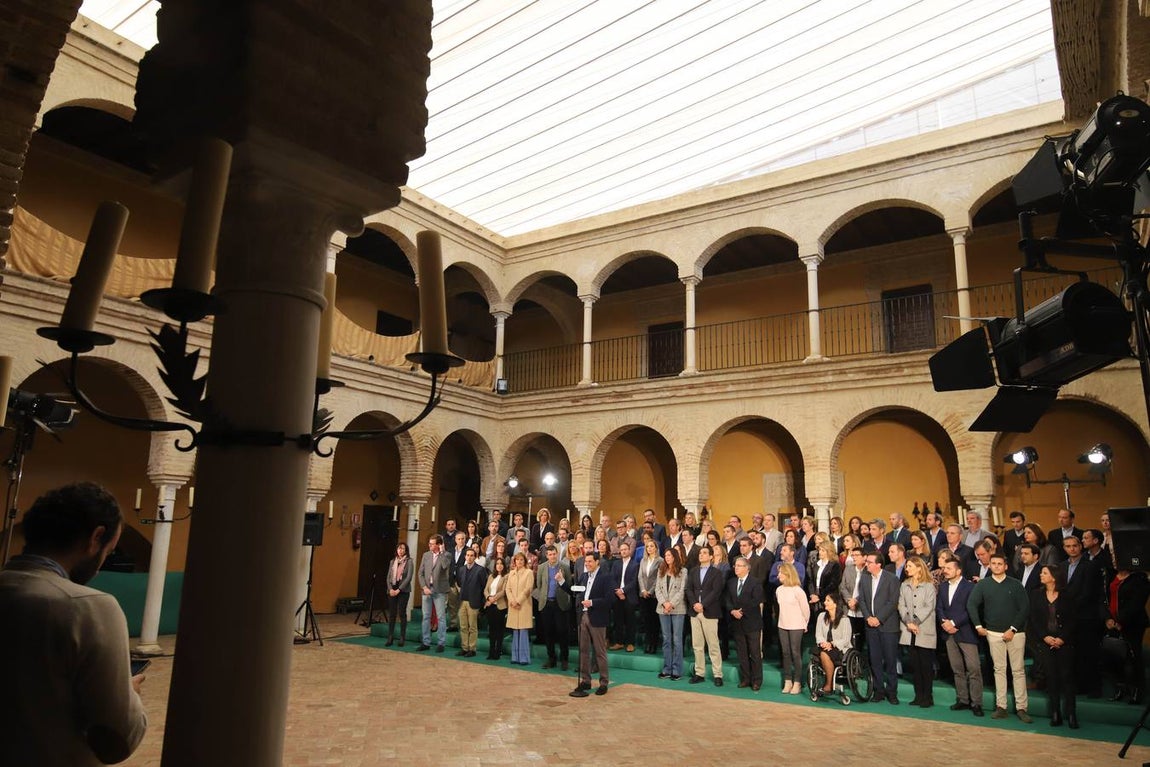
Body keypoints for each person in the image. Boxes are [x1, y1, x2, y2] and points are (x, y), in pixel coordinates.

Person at [0, 482, 147, 766]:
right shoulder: (86, 607)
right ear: (96, 538)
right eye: (109, 551)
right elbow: (116, 742)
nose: (102, 563)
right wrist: (131, 695)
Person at [969, 552, 1032, 723]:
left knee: (1018, 671)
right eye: (993, 563)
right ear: (989, 565)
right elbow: (971, 604)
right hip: (993, 633)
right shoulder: (983, 585)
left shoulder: (1016, 584)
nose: (996, 566)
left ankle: (1021, 708)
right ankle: (1001, 706)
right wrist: (978, 626)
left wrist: (1013, 629)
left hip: (1016, 633)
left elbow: (1025, 608)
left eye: (999, 564)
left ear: (1006, 566)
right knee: (999, 669)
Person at [1030, 563, 1078, 728]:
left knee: (1067, 678)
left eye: (1044, 573)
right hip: (1046, 642)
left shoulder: (1068, 595)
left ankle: (1071, 714)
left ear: (1054, 576)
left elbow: (1073, 620)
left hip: (1065, 643)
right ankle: (1055, 713)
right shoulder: (1036, 595)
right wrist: (1045, 636)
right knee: (1051, 678)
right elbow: (1034, 619)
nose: (1041, 575)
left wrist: (1062, 638)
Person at [936, 553, 984, 717]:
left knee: (974, 669)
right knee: (957, 669)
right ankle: (962, 699)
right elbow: (939, 607)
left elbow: (970, 610)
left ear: (959, 571)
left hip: (966, 633)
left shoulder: (970, 587)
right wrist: (945, 622)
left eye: (949, 568)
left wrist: (954, 623)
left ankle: (976, 703)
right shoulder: (942, 587)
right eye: (944, 568)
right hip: (948, 634)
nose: (945, 571)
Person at [859, 551, 900, 704]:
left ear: (878, 564)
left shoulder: (892, 579)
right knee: (874, 660)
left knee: (890, 661)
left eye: (869, 562)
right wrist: (868, 617)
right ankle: (878, 691)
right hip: (870, 626)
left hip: (888, 627)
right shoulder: (864, 579)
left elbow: (892, 602)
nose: (866, 564)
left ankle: (892, 692)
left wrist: (878, 619)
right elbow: (861, 600)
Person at [570, 552, 613, 697]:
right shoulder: (583, 577)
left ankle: (603, 682)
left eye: (589, 561)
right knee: (583, 650)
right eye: (585, 562)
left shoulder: (605, 578)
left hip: (597, 617)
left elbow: (609, 599)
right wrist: (562, 582)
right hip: (583, 616)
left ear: (597, 562)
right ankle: (586, 680)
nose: (586, 564)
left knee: (600, 652)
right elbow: (575, 592)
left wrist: (592, 603)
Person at [899, 555, 937, 707]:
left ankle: (928, 697)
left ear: (919, 568)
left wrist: (915, 622)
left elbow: (929, 606)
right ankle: (918, 696)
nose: (907, 569)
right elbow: (901, 605)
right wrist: (908, 622)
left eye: (909, 566)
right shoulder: (904, 585)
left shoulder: (929, 586)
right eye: (906, 566)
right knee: (915, 666)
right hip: (909, 630)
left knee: (925, 666)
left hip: (923, 629)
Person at [1107, 568, 1150, 703]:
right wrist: (1108, 619)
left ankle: (1137, 690)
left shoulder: (1139, 577)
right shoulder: (1111, 574)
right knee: (1114, 657)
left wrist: (1121, 621)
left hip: (1133, 624)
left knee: (1133, 656)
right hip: (1112, 623)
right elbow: (1105, 598)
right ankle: (1120, 688)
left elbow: (1137, 603)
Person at [686, 544, 725, 687]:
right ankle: (699, 673)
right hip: (695, 611)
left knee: (713, 645)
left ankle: (718, 674)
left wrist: (703, 604)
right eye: (700, 553)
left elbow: (716, 591)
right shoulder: (693, 571)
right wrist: (695, 603)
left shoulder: (716, 573)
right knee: (697, 645)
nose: (701, 555)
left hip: (709, 611)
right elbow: (689, 589)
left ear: (710, 556)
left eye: (704, 553)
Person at [725, 556, 765, 691]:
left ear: (747, 568)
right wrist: (732, 610)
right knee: (742, 653)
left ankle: (757, 680)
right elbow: (727, 599)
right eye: (735, 565)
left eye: (739, 566)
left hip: (751, 622)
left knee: (754, 653)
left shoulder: (755, 582)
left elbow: (757, 599)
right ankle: (746, 679)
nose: (736, 568)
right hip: (737, 623)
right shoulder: (731, 582)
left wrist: (741, 611)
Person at [533, 544, 572, 670]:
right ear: (546, 555)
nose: (552, 556)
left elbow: (569, 586)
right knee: (548, 633)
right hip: (546, 604)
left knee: (562, 632)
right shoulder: (541, 567)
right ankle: (551, 659)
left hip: (560, 604)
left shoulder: (565, 567)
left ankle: (564, 659)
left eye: (554, 554)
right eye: (550, 554)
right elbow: (539, 585)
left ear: (557, 553)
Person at [775, 562, 810, 694]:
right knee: (785, 653)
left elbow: (805, 610)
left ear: (788, 574)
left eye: (781, 573)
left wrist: (804, 623)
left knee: (795, 653)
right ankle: (787, 680)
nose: (778, 576)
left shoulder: (798, 590)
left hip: (796, 625)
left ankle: (797, 682)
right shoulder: (779, 590)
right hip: (782, 625)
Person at [655, 547, 687, 680]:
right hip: (663, 608)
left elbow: (682, 590)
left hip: (677, 608)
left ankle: (676, 670)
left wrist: (671, 604)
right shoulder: (661, 570)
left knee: (677, 640)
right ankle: (667, 669)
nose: (667, 557)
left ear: (675, 556)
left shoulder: (683, 571)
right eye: (665, 555)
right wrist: (664, 603)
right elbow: (657, 589)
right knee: (666, 639)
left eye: (669, 555)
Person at [812, 592, 852, 696]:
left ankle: (828, 685)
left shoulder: (844, 620)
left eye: (828, 600)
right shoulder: (821, 616)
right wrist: (823, 643)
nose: (825, 602)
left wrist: (832, 644)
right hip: (824, 646)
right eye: (825, 600)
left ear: (835, 604)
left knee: (824, 654)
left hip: (840, 648)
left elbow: (846, 639)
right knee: (822, 652)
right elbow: (818, 634)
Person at [417, 534, 452, 652]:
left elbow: (445, 566)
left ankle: (441, 643)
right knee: (426, 617)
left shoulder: (447, 555)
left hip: (440, 590)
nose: (429, 545)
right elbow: (420, 573)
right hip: (427, 589)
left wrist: (441, 553)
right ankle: (426, 642)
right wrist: (423, 586)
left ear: (439, 545)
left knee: (441, 617)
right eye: (429, 543)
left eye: (432, 544)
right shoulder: (426, 555)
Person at [608, 539, 640, 651]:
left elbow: (634, 581)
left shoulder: (635, 564)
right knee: (618, 620)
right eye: (622, 550)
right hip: (617, 596)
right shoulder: (616, 564)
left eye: (625, 549)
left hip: (629, 596)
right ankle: (619, 642)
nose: (624, 551)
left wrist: (623, 591)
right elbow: (612, 579)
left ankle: (630, 643)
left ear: (629, 550)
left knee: (630, 621)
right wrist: (618, 591)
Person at [455, 548, 487, 657]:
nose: (469, 557)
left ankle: (472, 649)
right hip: (462, 601)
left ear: (475, 557)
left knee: (472, 627)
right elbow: (459, 583)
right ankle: (464, 648)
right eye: (467, 555)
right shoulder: (461, 570)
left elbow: (484, 587)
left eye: (471, 555)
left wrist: (481, 603)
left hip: (473, 602)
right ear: (465, 557)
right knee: (463, 626)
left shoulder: (480, 570)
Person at [505, 552, 534, 665]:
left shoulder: (529, 572)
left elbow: (528, 589)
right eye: (517, 560)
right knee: (515, 631)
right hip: (513, 606)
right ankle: (515, 657)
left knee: (523, 631)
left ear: (525, 561)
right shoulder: (511, 573)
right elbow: (508, 589)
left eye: (522, 560)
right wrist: (512, 600)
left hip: (524, 605)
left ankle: (524, 658)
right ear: (514, 561)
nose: (519, 562)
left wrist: (518, 601)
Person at [384, 542, 413, 646]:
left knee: (401, 613)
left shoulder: (409, 562)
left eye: (403, 549)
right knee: (392, 614)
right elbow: (388, 577)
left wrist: (399, 590)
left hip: (403, 591)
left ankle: (402, 637)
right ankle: (390, 636)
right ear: (396, 550)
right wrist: (390, 589)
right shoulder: (393, 561)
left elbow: (408, 577)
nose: (401, 551)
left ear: (406, 551)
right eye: (399, 549)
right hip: (392, 589)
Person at [638, 538, 662, 654]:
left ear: (656, 548)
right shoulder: (643, 560)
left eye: (652, 546)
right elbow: (640, 577)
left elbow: (659, 578)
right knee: (646, 621)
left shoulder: (660, 561)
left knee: (654, 621)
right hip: (643, 595)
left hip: (654, 596)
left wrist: (651, 591)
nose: (649, 548)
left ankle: (654, 644)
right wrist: (643, 590)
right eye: (648, 546)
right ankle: (647, 644)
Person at [482, 556, 509, 659]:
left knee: (499, 631)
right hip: (490, 606)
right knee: (491, 631)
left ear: (504, 566)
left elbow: (504, 591)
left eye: (501, 564)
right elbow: (485, 590)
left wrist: (493, 599)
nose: (499, 565)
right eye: (497, 564)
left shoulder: (506, 576)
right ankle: (491, 651)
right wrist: (489, 597)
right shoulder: (491, 576)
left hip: (500, 606)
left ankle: (498, 652)